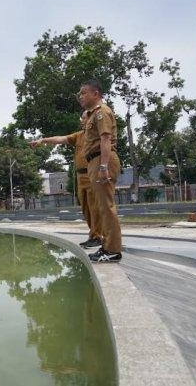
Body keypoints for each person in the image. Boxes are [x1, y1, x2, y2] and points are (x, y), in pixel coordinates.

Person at [29, 115, 102, 249]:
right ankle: (93, 235)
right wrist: (43, 140)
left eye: (84, 118)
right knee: (85, 208)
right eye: (81, 118)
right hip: (80, 176)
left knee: (94, 207)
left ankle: (98, 236)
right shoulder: (78, 135)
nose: (82, 120)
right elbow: (60, 139)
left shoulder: (96, 135)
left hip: (92, 172)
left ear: (91, 120)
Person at [78, 80, 122, 262]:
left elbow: (105, 139)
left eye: (84, 93)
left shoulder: (102, 112)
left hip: (102, 159)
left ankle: (112, 250)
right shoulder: (92, 115)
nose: (80, 96)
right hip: (95, 161)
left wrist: (103, 166)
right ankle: (107, 246)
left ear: (96, 93)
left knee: (106, 207)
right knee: (102, 208)